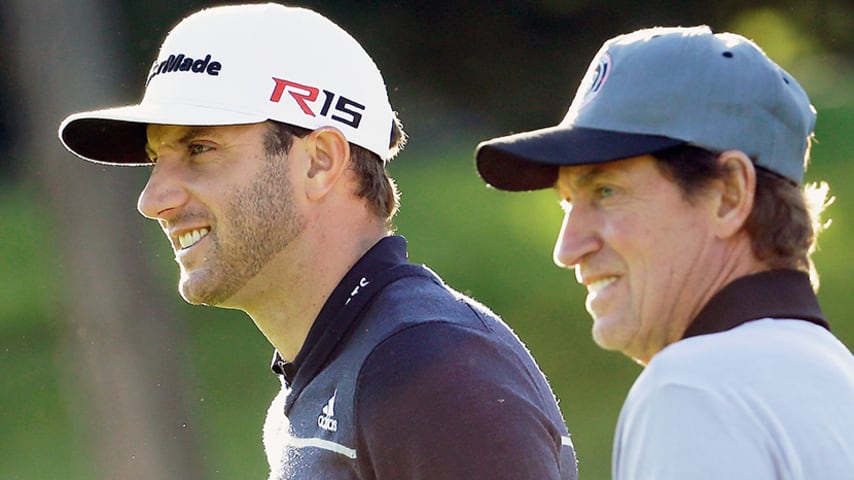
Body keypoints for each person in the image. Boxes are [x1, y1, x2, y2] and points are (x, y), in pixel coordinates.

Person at [57, 4, 578, 479]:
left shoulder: (430, 369)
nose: (152, 199)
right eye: (156, 160)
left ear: (321, 161)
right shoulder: (334, 374)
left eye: (199, 147)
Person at [475, 25, 854, 479]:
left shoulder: (691, 388)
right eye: (568, 203)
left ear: (729, 195)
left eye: (607, 190)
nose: (567, 248)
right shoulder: (834, 376)